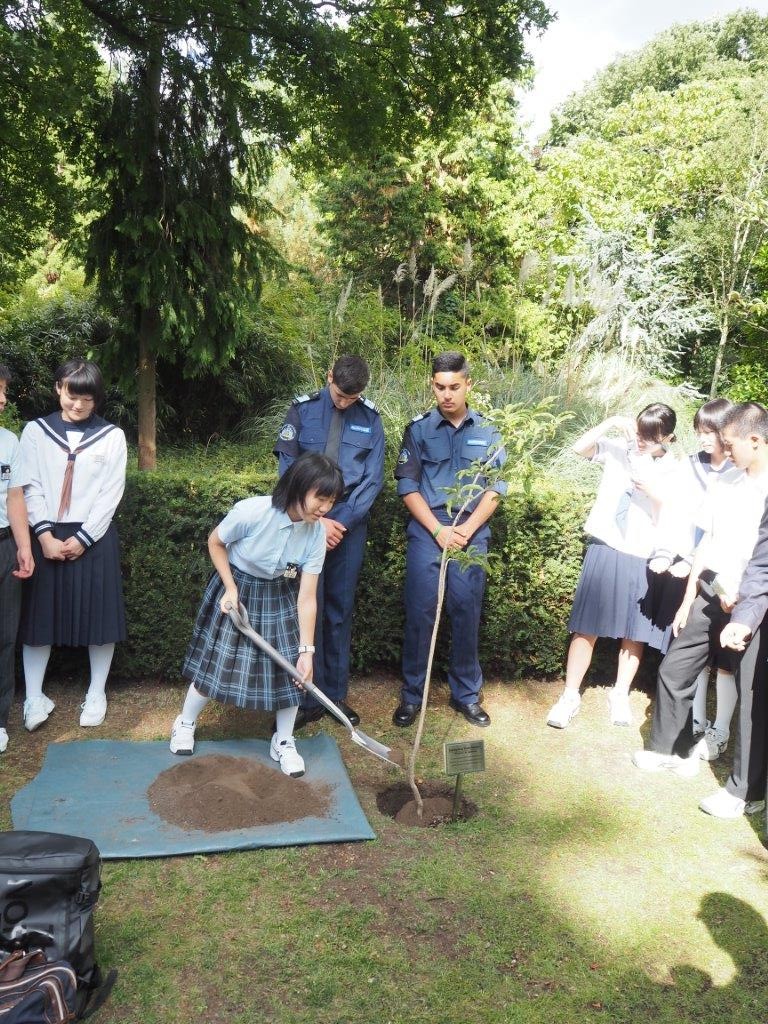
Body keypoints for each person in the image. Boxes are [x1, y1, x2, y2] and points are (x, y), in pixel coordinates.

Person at [169, 452, 345, 778]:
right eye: (321, 498)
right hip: (238, 587)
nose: (325, 508)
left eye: (331, 501)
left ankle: (284, 741)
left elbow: (307, 598)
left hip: (279, 593)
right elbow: (215, 542)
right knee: (215, 666)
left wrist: (307, 651)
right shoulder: (253, 510)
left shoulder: (316, 535)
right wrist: (230, 588)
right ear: (299, 486)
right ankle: (185, 723)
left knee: (293, 672)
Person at [633, 402, 768, 819]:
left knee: (752, 695)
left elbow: (761, 562)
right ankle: (666, 748)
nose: (724, 451)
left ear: (755, 440)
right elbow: (706, 541)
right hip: (713, 587)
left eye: (730, 444)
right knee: (677, 666)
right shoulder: (728, 483)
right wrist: (691, 594)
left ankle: (746, 791)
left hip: (753, 600)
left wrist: (743, 601)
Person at [547, 404, 680, 729]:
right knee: (586, 626)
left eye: (650, 437)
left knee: (634, 632)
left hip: (643, 552)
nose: (642, 441)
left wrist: (654, 494)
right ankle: (569, 695)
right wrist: (609, 421)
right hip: (606, 544)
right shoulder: (620, 449)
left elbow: (676, 517)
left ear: (669, 438)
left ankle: (620, 693)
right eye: (639, 432)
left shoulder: (675, 469)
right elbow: (579, 448)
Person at [392, 351, 505, 728]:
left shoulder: (489, 431)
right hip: (429, 530)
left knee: (466, 611)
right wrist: (439, 530)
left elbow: (496, 488)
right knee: (421, 613)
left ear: (468, 384)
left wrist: (466, 530)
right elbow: (408, 486)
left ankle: (466, 696)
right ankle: (413, 696)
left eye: (454, 386)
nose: (447, 395)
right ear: (432, 386)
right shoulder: (419, 429)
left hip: (470, 531)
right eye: (440, 387)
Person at [274, 355, 384, 728]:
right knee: (307, 608)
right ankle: (304, 696)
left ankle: (334, 697)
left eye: (352, 398)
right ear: (329, 378)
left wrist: (338, 522)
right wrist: (315, 519)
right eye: (339, 395)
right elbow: (287, 467)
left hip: (347, 533)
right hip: (305, 528)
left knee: (339, 610)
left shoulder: (371, 419)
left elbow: (372, 481)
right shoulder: (302, 411)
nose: (343, 403)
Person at [19, 359, 127, 731]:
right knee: (38, 618)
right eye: (71, 395)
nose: (77, 405)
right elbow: (28, 486)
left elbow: (111, 494)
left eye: (86, 398)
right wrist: (44, 535)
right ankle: (34, 696)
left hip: (93, 537)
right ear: (58, 389)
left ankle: (97, 692)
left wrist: (83, 538)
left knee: (100, 617)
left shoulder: (112, 436)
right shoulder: (35, 432)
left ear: (96, 399)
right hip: (44, 534)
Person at [650, 399, 736, 759]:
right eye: (699, 432)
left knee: (728, 662)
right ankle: (697, 720)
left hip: (733, 577)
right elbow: (678, 515)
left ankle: (721, 730)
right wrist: (675, 555)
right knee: (694, 652)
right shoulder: (692, 467)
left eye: (709, 433)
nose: (702, 440)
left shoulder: (743, 471)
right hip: (693, 572)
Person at [0, 365, 34, 754]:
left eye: (5, 390)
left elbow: (15, 497)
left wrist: (24, 546)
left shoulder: (9, 442)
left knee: (4, 638)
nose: (4, 399)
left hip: (4, 546)